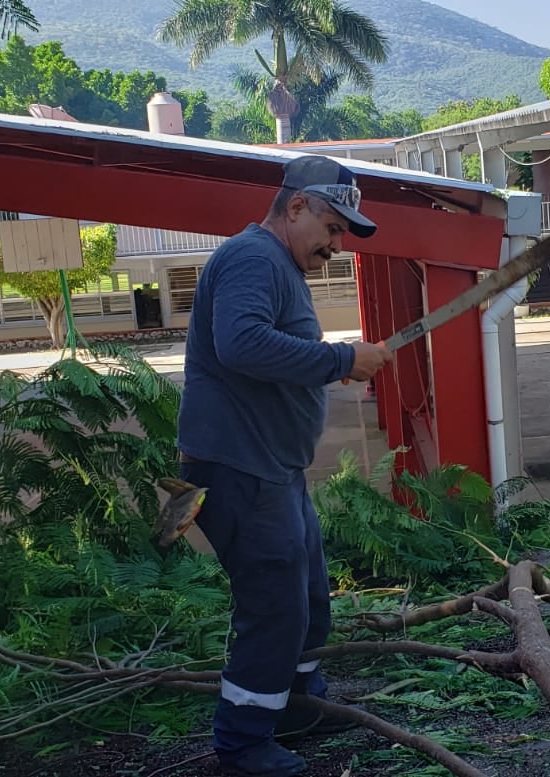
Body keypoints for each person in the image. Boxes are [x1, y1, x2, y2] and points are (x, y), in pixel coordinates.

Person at [176, 154, 392, 776]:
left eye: (341, 235)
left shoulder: (279, 264)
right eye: (330, 228)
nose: (335, 244)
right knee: (273, 604)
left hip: (272, 468)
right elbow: (239, 343)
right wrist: (340, 360)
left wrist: (334, 357)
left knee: (306, 597)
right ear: (296, 206)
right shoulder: (252, 258)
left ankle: (293, 707)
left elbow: (269, 346)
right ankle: (243, 743)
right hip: (240, 467)